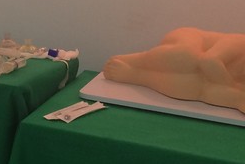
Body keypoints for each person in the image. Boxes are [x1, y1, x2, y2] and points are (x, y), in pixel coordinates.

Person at [103, 27, 245, 112]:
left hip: (203, 72)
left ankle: (135, 75)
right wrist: (232, 87)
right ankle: (133, 60)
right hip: (189, 39)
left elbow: (210, 93)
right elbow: (209, 60)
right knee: (187, 56)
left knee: (193, 87)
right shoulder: (240, 42)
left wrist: (236, 98)